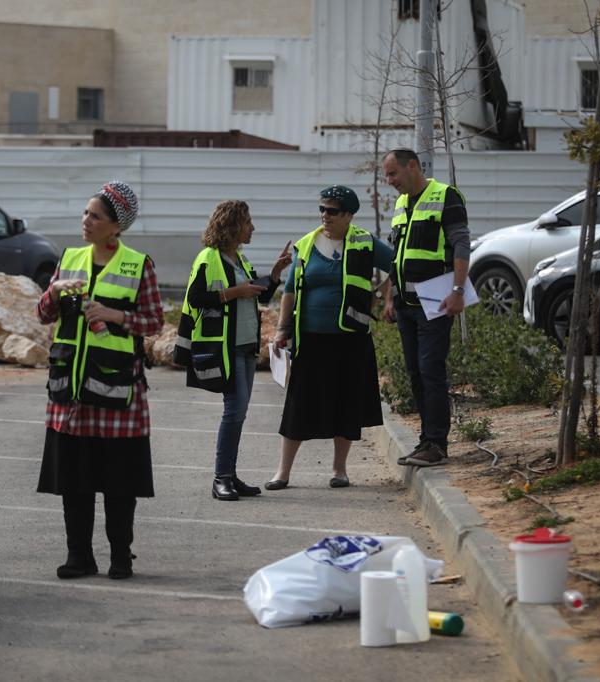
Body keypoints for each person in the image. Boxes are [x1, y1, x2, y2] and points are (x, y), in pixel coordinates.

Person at [35, 180, 164, 580]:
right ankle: (79, 557)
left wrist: (115, 316)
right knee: (75, 482)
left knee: (119, 483)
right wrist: (54, 291)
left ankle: (120, 557)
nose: (86, 221)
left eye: (95, 216)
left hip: (117, 392)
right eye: (86, 213)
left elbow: (154, 321)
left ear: (116, 226)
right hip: (71, 394)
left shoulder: (137, 264)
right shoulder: (70, 258)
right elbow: (43, 315)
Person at [265, 186, 393, 491]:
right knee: (299, 405)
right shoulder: (307, 244)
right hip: (311, 337)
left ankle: (339, 469)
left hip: (351, 338)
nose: (325, 215)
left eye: (333, 211)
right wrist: (283, 330)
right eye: (322, 209)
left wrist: (384, 297)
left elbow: (399, 264)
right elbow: (291, 291)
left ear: (349, 215)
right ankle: (283, 472)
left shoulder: (363, 241)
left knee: (346, 403)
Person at [175, 200, 291, 501]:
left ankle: (230, 474)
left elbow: (258, 295)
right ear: (232, 225)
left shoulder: (238, 257)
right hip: (224, 347)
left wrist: (275, 275)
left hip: (245, 346)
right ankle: (221, 478)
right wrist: (234, 292)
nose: (252, 227)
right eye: (248, 221)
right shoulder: (208, 257)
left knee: (238, 413)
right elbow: (196, 297)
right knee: (234, 410)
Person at [381, 148, 471, 468]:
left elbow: (461, 243)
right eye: (387, 175)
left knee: (431, 368)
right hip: (406, 304)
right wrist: (390, 296)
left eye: (393, 174)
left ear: (413, 167)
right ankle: (426, 441)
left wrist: (458, 291)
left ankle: (437, 443)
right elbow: (398, 255)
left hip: (435, 300)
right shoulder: (402, 202)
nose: (389, 181)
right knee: (415, 372)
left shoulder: (446, 195)